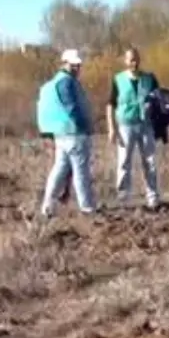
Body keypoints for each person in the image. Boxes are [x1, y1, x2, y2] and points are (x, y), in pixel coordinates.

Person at [37, 49, 96, 217]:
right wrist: (85, 126)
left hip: (61, 134)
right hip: (74, 133)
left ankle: (47, 207)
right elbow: (72, 107)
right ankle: (87, 208)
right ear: (64, 63)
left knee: (59, 169)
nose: (77, 68)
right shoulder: (67, 83)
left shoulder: (55, 82)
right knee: (80, 171)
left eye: (78, 65)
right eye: (73, 65)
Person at [106, 47, 162, 210]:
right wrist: (111, 127)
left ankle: (153, 198)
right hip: (126, 125)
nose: (134, 63)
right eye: (131, 60)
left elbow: (158, 100)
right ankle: (123, 198)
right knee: (124, 161)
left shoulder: (149, 79)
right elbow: (110, 104)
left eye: (136, 59)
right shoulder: (118, 80)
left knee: (149, 161)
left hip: (146, 124)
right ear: (125, 61)